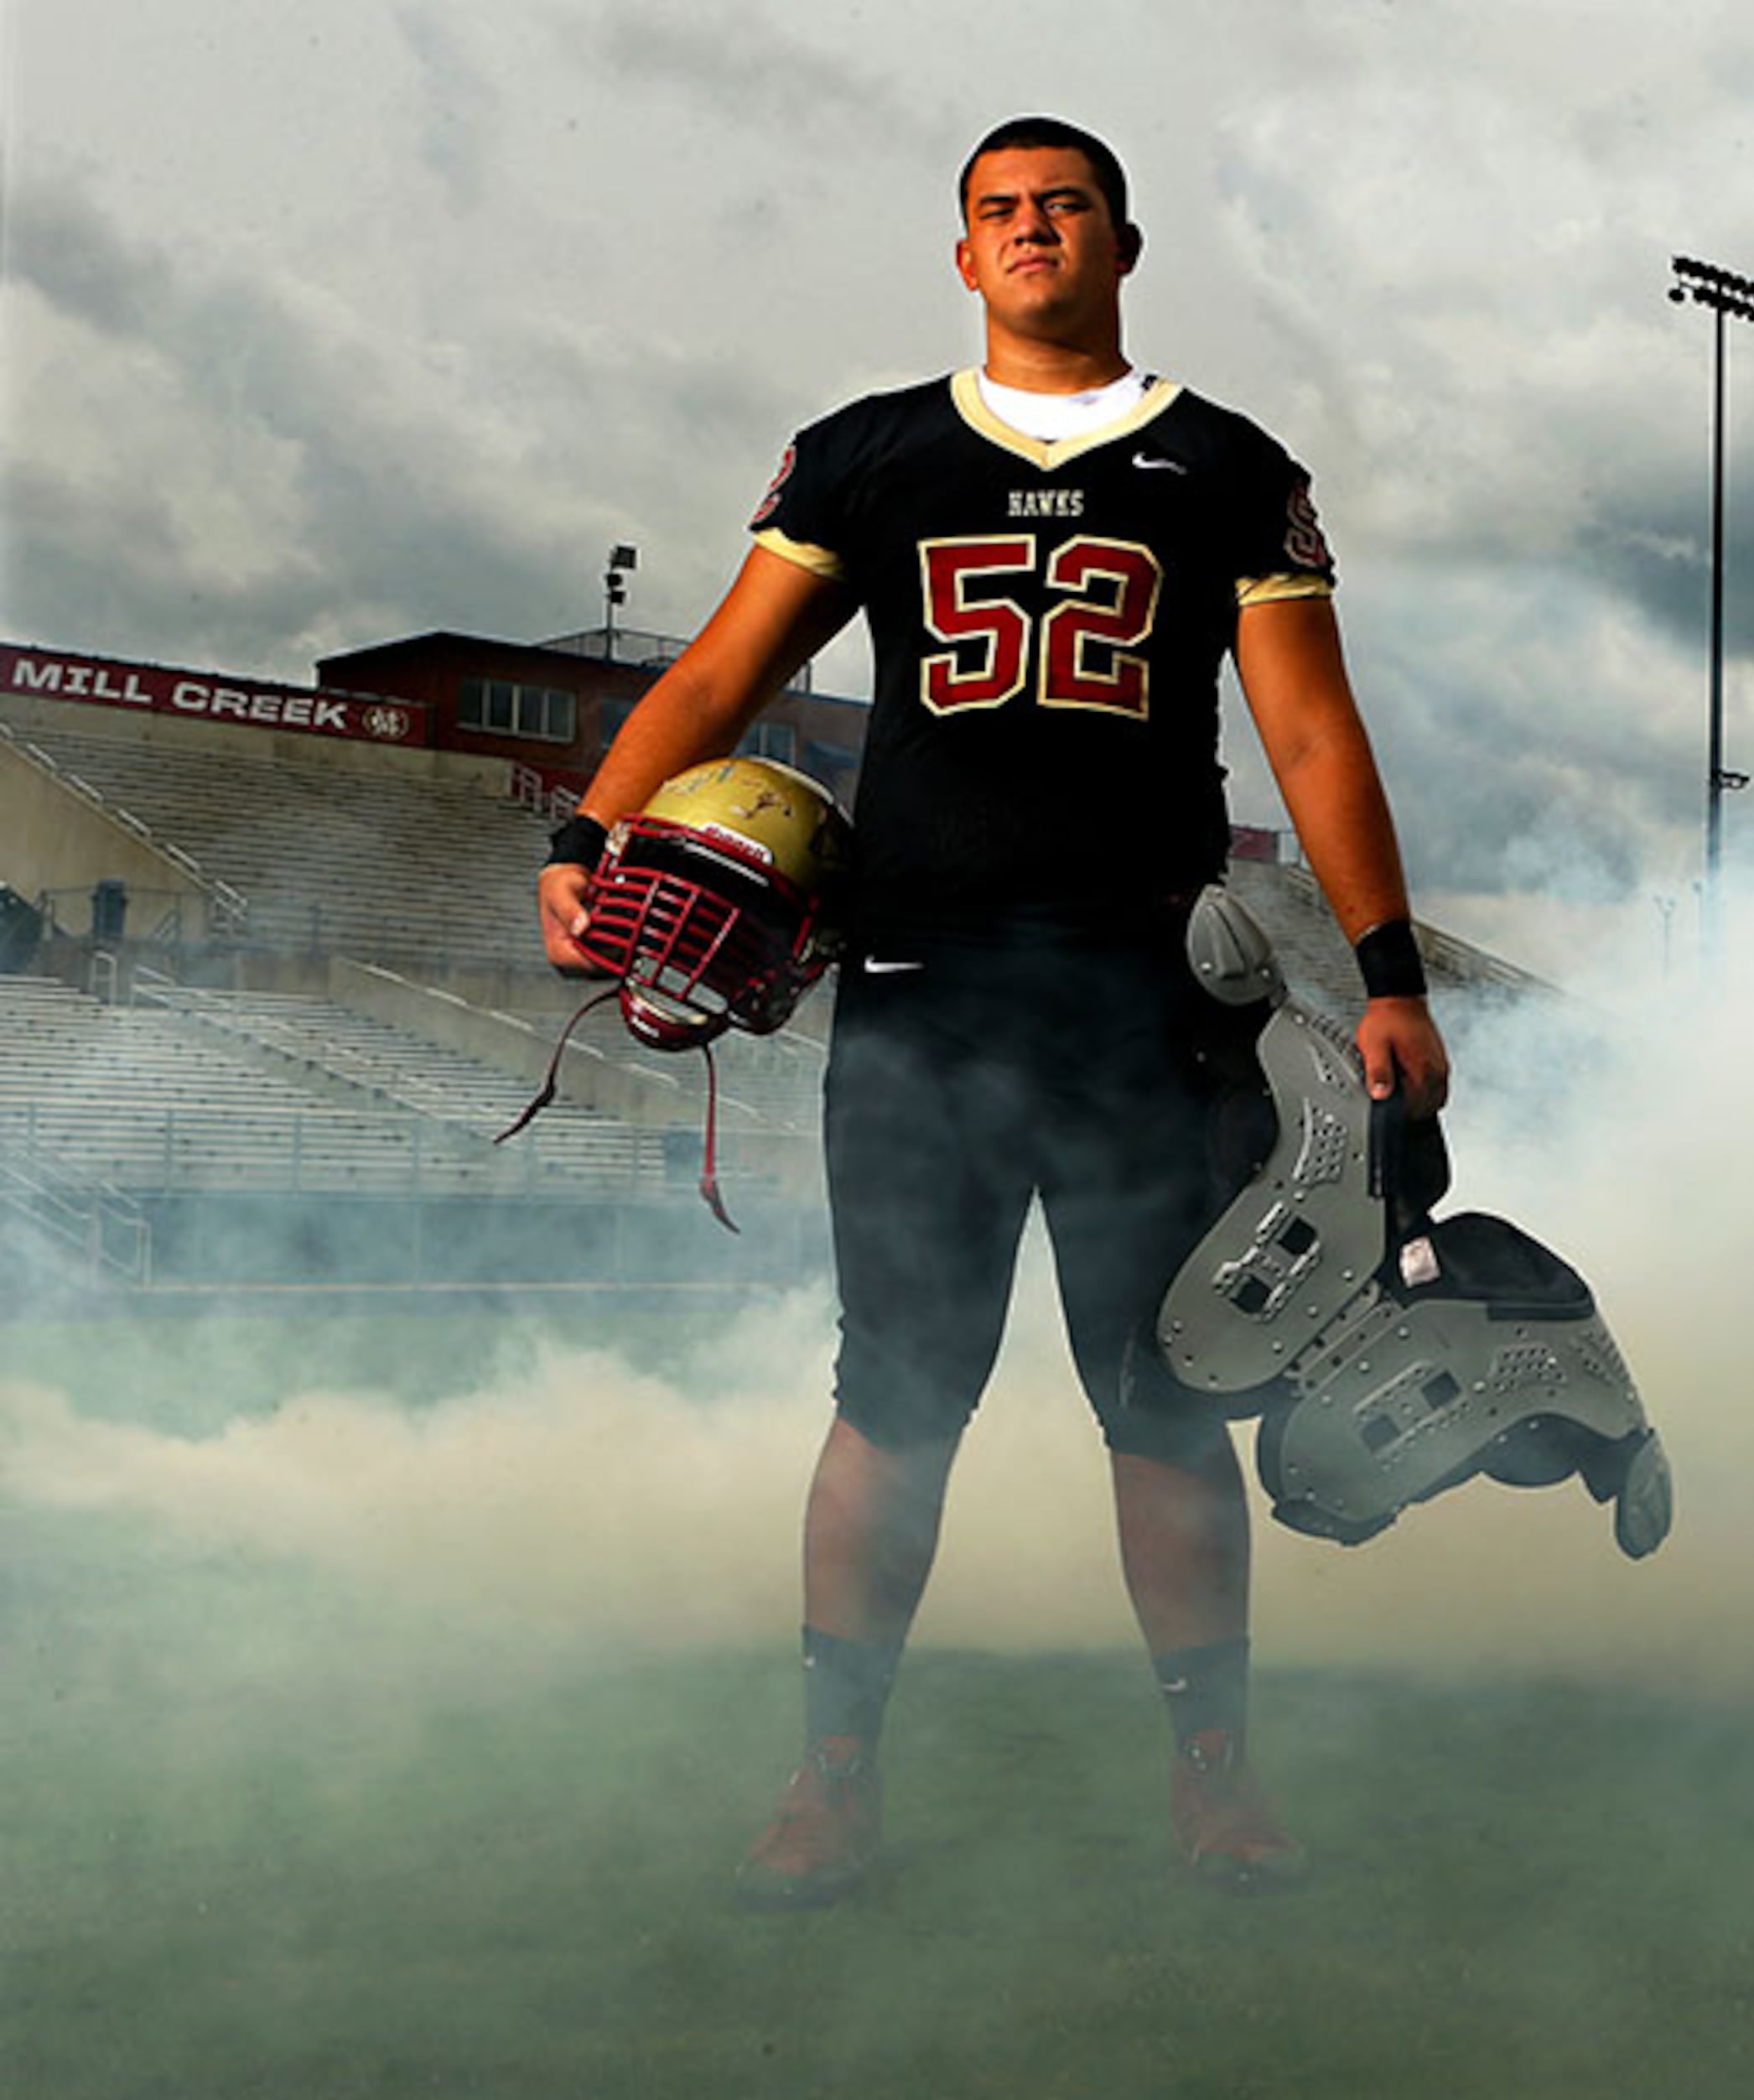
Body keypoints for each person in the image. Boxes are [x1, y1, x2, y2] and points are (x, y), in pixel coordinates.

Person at [536, 115, 1449, 1906]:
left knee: (1170, 1400)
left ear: (1124, 238)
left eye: (1066, 206)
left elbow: (1312, 733)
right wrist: (586, 830)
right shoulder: (872, 455)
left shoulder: (1225, 463)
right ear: (965, 255)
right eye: (1000, 212)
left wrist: (1391, 967)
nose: (1033, 229)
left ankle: (1214, 1777)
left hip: (1144, 994)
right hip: (922, 989)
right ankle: (831, 1780)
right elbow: (722, 668)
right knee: (895, 1394)